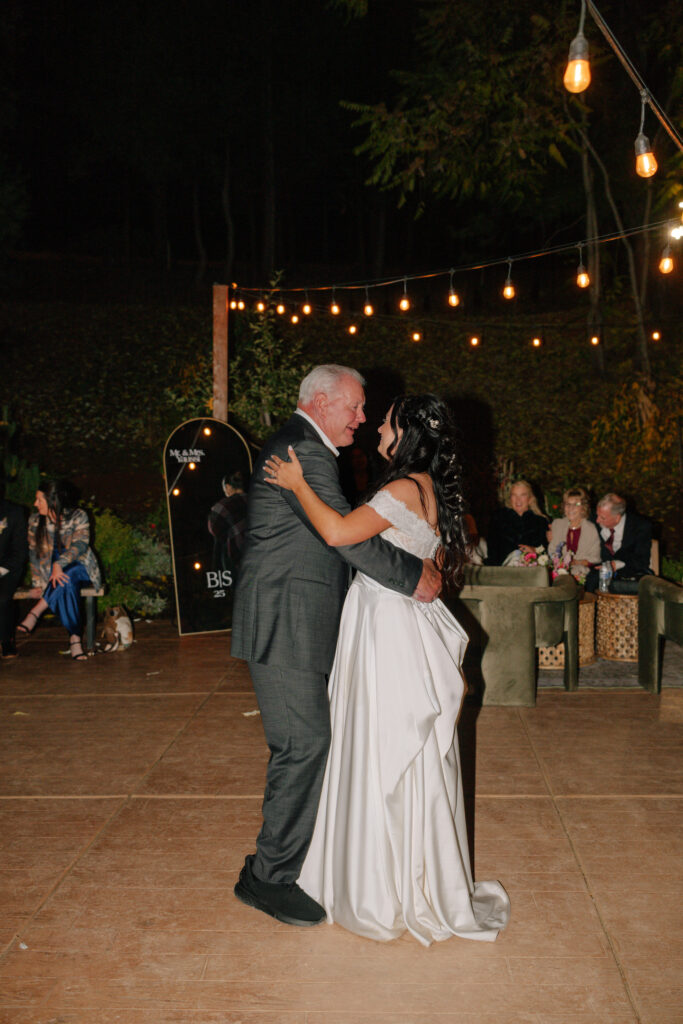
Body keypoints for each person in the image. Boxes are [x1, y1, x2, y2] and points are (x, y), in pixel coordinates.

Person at [265, 394, 510, 946]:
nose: (376, 426)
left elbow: (338, 534)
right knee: (400, 748)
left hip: (384, 624)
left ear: (407, 434)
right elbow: (434, 564)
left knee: (379, 744)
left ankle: (380, 886)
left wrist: (298, 484)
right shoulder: (430, 488)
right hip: (400, 619)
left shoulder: (402, 488)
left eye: (387, 421)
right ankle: (406, 874)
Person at [230, 365, 442, 929]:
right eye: (354, 406)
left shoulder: (307, 449)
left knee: (305, 743)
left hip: (298, 620)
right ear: (321, 402)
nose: (362, 418)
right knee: (303, 744)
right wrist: (413, 576)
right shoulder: (302, 449)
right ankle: (267, 878)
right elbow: (345, 538)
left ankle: (282, 863)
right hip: (286, 621)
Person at [17, 480, 102, 660]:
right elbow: (34, 553)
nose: (35, 504)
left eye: (39, 500)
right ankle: (75, 640)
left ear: (53, 500)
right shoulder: (35, 521)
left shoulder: (78, 516)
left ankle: (37, 611)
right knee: (65, 581)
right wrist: (38, 582)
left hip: (82, 567)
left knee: (68, 573)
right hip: (54, 576)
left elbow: (80, 545)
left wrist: (59, 564)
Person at [591, 492, 652, 594]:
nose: (597, 520)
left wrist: (616, 564)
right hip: (598, 576)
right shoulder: (593, 521)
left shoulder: (640, 527)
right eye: (597, 515)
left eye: (603, 518)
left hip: (627, 576)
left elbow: (642, 560)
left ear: (617, 517)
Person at [486, 479, 548, 565]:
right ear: (510, 498)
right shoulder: (498, 518)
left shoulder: (541, 522)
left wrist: (534, 551)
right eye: (514, 495)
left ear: (530, 498)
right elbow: (492, 550)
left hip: (532, 567)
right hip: (504, 567)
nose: (518, 500)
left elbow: (547, 550)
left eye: (523, 495)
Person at [547, 487, 601, 582]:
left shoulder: (591, 529)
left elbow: (595, 558)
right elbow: (552, 551)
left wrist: (576, 563)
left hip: (582, 574)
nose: (571, 508)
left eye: (576, 504)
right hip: (558, 573)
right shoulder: (557, 524)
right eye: (568, 504)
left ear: (583, 508)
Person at [0, 477, 28, 659]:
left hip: (7, 568)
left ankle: (6, 639)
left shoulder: (13, 512)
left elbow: (19, 551)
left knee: (2, 598)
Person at [207, 471, 248, 574]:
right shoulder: (256, 500)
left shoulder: (223, 506)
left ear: (228, 487)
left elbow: (214, 529)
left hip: (240, 561)